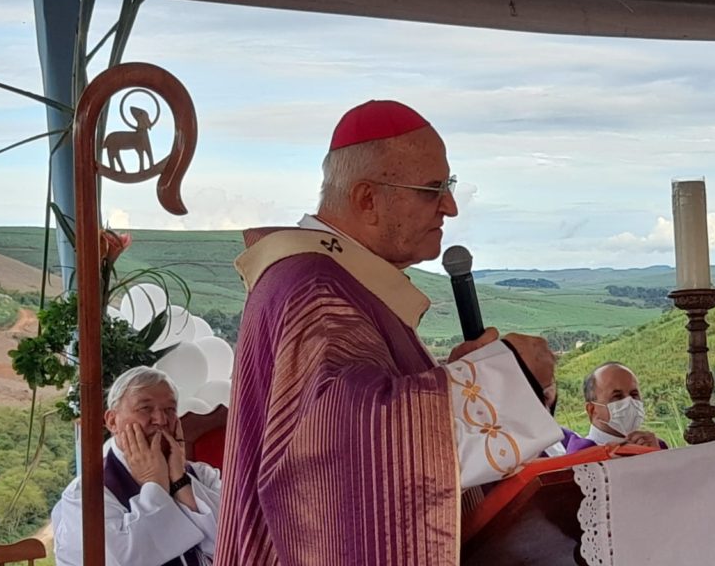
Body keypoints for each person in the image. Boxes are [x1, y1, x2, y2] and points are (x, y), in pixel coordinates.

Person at [214, 100, 563, 565]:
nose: (451, 207)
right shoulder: (316, 291)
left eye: (448, 186)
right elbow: (338, 448)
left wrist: (460, 377)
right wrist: (504, 379)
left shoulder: (336, 282)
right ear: (366, 200)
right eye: (432, 190)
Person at [51, 366, 221, 566]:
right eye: (145, 408)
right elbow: (119, 560)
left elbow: (235, 541)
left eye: (169, 409)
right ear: (112, 421)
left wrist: (180, 482)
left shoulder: (202, 474)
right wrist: (155, 488)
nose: (161, 420)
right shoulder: (87, 494)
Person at [561, 362, 665, 453]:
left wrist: (658, 457)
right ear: (592, 410)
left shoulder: (656, 446)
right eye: (617, 396)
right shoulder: (579, 458)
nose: (629, 402)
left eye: (634, 394)